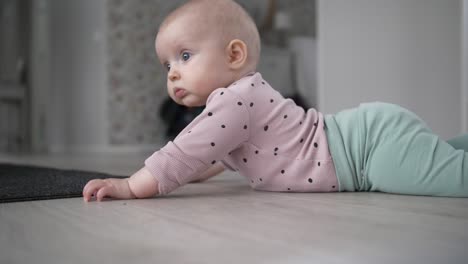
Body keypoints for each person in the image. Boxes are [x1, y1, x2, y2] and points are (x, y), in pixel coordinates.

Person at [83, 0, 468, 202]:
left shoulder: (236, 101)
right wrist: (169, 179)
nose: (172, 72)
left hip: (368, 152)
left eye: (185, 56)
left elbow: (182, 154)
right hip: (369, 140)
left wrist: (132, 187)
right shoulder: (236, 107)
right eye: (166, 63)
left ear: (234, 55)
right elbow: (200, 161)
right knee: (440, 160)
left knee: (454, 178)